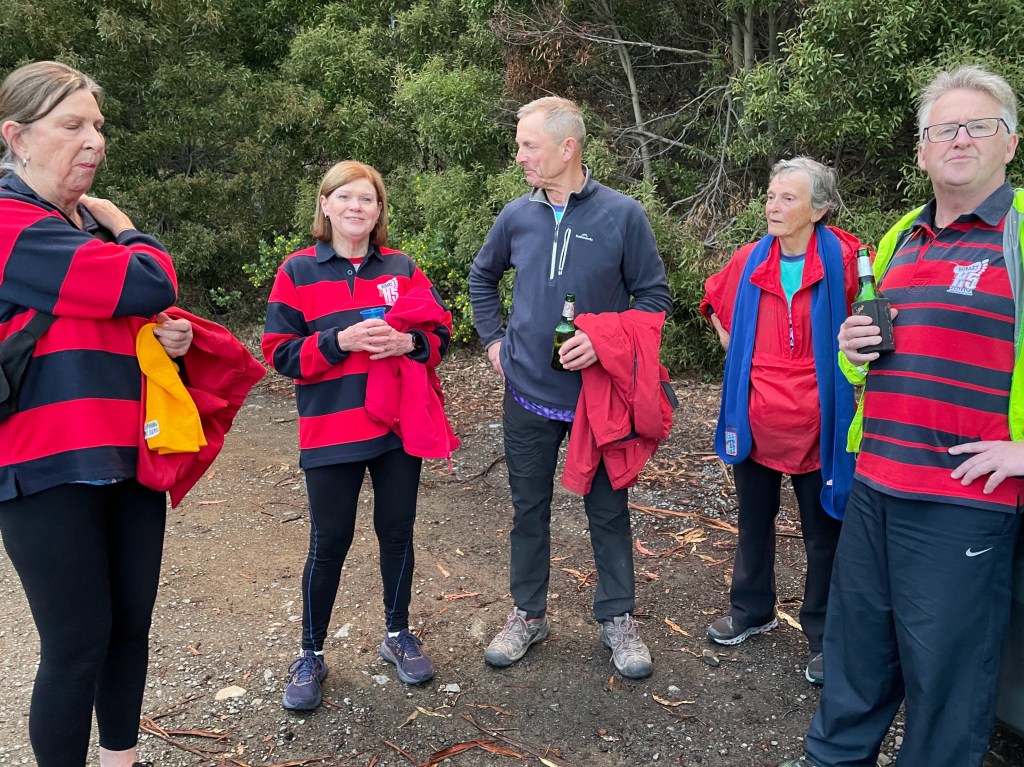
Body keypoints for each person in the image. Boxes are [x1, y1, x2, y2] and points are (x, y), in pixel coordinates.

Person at [781, 65, 1023, 767]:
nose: (960, 139)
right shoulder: (899, 240)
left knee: (945, 689)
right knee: (853, 665)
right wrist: (852, 349)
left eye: (979, 125)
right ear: (920, 151)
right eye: (943, 129)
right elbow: (875, 362)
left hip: (965, 504)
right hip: (877, 486)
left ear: (1010, 144)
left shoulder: (1018, 234)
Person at [0, 62, 193, 767]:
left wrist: (168, 339)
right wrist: (127, 226)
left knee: (128, 632)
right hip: (45, 464)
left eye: (98, 126)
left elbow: (130, 314)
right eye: (72, 125)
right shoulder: (13, 222)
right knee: (76, 642)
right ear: (17, 138)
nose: (94, 141)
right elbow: (149, 281)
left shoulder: (80, 228)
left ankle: (121, 760)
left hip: (126, 455)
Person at [469, 96, 672, 679]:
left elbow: (654, 298)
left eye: (528, 145)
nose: (519, 156)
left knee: (608, 510)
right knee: (527, 510)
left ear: (567, 147)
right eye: (519, 145)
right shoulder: (517, 215)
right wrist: (493, 343)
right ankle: (528, 614)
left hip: (598, 399)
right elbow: (483, 276)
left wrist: (604, 341)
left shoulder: (623, 215)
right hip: (526, 394)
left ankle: (618, 618)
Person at [263, 160, 457, 712]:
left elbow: (441, 334)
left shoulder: (402, 267)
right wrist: (339, 341)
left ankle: (397, 634)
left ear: (378, 211)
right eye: (345, 197)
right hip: (330, 430)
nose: (356, 207)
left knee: (397, 533)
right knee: (330, 542)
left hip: (396, 429)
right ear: (325, 205)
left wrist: (411, 345)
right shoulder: (297, 271)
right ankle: (310, 653)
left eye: (367, 199)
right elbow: (279, 353)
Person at [701, 157, 862, 685]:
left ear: (819, 209)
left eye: (788, 198)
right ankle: (752, 610)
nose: (773, 206)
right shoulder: (749, 259)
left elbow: (874, 322)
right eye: (771, 196)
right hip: (755, 418)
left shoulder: (846, 261)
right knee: (753, 521)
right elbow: (715, 302)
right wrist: (736, 348)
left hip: (821, 423)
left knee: (823, 532)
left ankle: (824, 634)